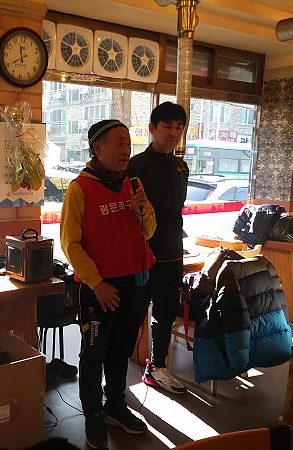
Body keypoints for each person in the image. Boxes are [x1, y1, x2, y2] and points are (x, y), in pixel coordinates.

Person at [60, 119, 157, 449]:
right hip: (99, 289)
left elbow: (149, 232)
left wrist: (142, 210)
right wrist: (97, 283)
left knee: (120, 352)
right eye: (119, 143)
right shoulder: (80, 188)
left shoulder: (133, 184)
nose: (126, 150)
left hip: (135, 283)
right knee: (93, 354)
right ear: (97, 148)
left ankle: (115, 406)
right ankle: (93, 416)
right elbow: (71, 244)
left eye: (128, 143)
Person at [127, 102, 189, 394]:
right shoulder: (136, 166)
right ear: (152, 129)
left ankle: (157, 368)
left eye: (179, 127)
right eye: (167, 126)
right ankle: (116, 377)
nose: (174, 132)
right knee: (131, 316)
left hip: (173, 253)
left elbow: (176, 209)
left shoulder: (181, 166)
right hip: (142, 255)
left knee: (165, 315)